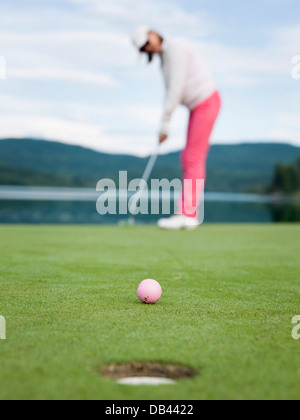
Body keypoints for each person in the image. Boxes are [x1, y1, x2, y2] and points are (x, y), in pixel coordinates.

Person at [131, 26, 221, 230]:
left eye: (146, 42)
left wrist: (165, 122)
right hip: (198, 106)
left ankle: (188, 214)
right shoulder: (165, 57)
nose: (147, 48)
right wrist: (165, 122)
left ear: (152, 34)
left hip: (206, 102)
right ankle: (187, 213)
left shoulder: (175, 48)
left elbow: (176, 88)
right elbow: (173, 91)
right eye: (143, 48)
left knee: (193, 157)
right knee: (188, 157)